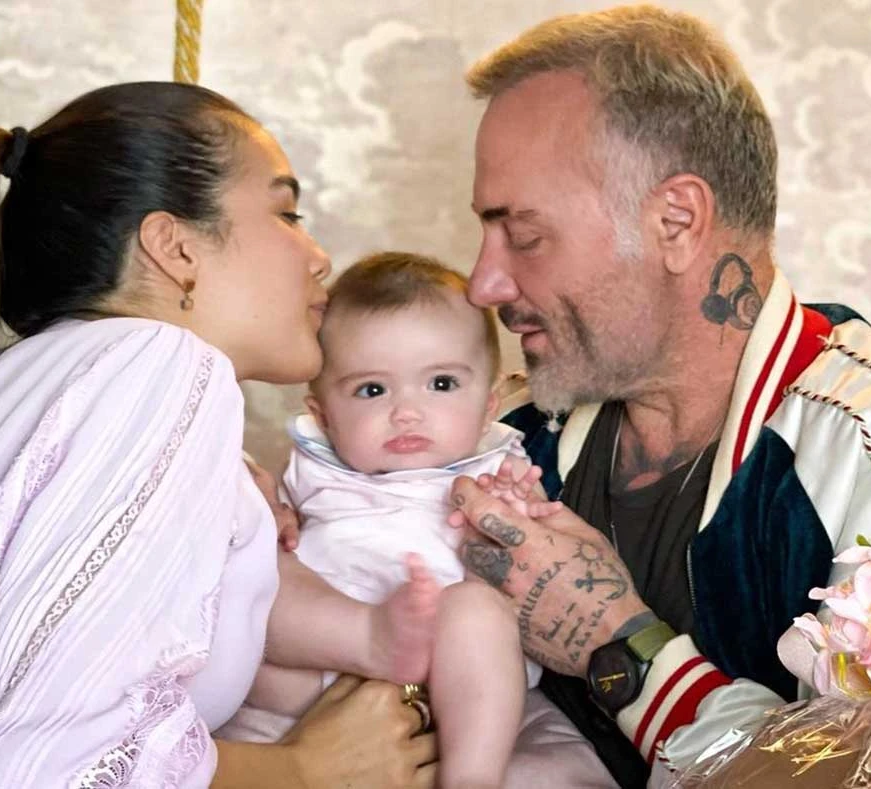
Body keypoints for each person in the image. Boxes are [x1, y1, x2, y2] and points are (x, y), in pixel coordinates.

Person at [0, 82, 440, 787]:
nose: (317, 256)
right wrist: (304, 770)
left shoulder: (24, 379)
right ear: (173, 246)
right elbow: (52, 768)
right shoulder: (160, 364)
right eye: (287, 213)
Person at [445, 5, 871, 789]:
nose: (482, 284)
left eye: (525, 234)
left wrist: (618, 645)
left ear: (677, 221)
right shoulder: (501, 434)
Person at [220, 252, 617, 788]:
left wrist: (508, 522)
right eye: (373, 390)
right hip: (319, 669)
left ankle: (471, 779)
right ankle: (369, 636)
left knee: (477, 610)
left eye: (442, 384)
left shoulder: (501, 472)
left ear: (489, 404)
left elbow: (534, 581)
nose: (407, 412)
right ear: (323, 415)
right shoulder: (312, 467)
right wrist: (266, 521)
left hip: (461, 683)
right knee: (261, 575)